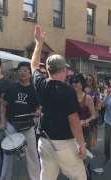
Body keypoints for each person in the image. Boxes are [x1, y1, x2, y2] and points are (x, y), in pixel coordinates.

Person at [31, 25, 87, 179]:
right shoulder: (68, 91)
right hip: (63, 144)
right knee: (79, 176)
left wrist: (39, 43)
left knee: (47, 176)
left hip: (44, 140)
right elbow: (74, 122)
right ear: (63, 69)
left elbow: (34, 65)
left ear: (48, 70)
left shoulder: (40, 83)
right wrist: (82, 145)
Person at [0, 62, 41, 180]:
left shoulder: (34, 89)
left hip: (28, 125)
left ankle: (36, 178)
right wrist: (2, 122)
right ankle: (4, 177)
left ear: (30, 74)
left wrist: (37, 114)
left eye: (25, 71)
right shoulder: (12, 88)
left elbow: (37, 108)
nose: (22, 73)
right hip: (12, 124)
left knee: (32, 154)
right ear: (17, 73)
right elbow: (3, 105)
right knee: (8, 154)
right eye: (20, 71)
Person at [70, 73, 96, 180]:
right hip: (70, 132)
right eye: (72, 82)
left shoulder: (87, 98)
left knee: (85, 158)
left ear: (81, 84)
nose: (74, 84)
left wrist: (87, 120)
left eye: (76, 82)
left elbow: (94, 115)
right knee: (72, 159)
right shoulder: (68, 97)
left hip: (84, 132)